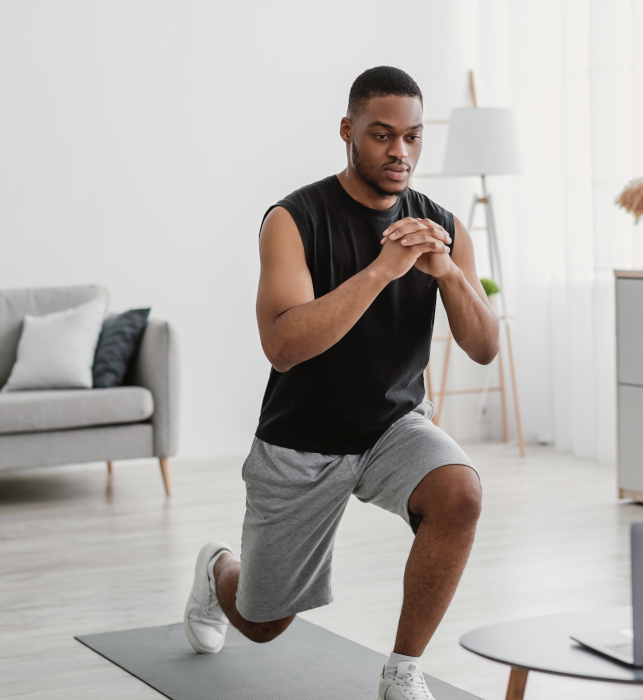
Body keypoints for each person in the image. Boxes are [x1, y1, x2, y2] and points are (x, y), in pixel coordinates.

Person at [182, 66, 499, 700]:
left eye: (412, 137)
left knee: (460, 494)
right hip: (303, 439)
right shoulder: (293, 219)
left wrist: (447, 274)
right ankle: (219, 570)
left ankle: (403, 671)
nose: (400, 153)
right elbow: (284, 345)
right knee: (264, 623)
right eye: (383, 135)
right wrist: (385, 269)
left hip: (393, 428)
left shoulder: (441, 224)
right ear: (348, 130)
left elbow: (484, 348)